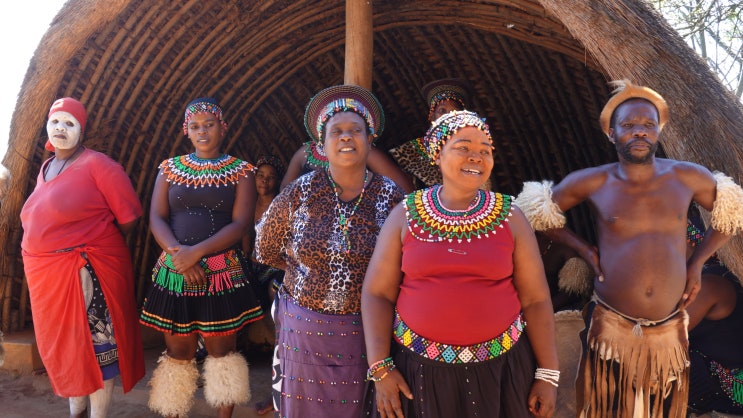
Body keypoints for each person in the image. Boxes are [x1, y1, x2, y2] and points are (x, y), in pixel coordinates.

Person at [514, 79, 743, 417]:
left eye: (648, 125)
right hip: (611, 323)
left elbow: (732, 211)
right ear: (612, 133)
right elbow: (533, 211)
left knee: (662, 409)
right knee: (601, 408)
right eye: (630, 125)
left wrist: (697, 263)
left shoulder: (687, 176)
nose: (640, 132)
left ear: (658, 132)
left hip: (669, 328)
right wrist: (583, 249)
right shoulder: (593, 180)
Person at [361, 110, 559, 418]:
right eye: (463, 147)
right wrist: (381, 368)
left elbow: (536, 299)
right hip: (418, 373)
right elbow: (377, 294)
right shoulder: (406, 214)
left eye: (485, 151)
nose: (476, 157)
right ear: (437, 155)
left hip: (502, 371)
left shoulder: (511, 217)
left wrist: (547, 375)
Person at [255, 84, 405, 418]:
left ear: (370, 141)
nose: (346, 137)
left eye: (356, 130)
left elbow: (405, 262)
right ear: (322, 145)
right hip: (304, 332)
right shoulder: (300, 192)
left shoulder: (390, 195)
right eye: (336, 131)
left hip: (367, 333)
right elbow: (264, 248)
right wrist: (306, 270)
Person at [20, 97, 145, 417]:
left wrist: (92, 243)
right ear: (47, 126)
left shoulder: (98, 165)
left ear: (82, 130)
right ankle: (76, 411)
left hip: (86, 273)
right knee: (69, 349)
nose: (61, 128)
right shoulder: (47, 167)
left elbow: (128, 217)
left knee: (97, 349)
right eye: (56, 121)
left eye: (70, 123)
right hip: (50, 277)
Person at [139, 97, 265, 418]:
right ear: (186, 131)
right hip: (175, 271)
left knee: (221, 352)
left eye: (209, 124)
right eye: (195, 126)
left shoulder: (241, 171)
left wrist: (196, 254)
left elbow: (240, 224)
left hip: (220, 273)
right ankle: (174, 412)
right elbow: (156, 218)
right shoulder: (169, 169)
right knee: (177, 351)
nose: (203, 131)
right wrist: (179, 255)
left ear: (222, 128)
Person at [388, 78, 470, 188]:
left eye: (454, 112)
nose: (448, 117)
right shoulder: (409, 153)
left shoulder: (472, 152)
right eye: (442, 111)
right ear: (432, 116)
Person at [280, 137, 414, 193]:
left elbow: (404, 189)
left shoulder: (367, 151)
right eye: (335, 128)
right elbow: (284, 194)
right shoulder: (305, 153)